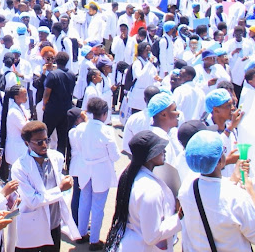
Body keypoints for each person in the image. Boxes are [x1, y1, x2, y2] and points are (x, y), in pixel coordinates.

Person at [178, 130, 255, 251]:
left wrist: (232, 180)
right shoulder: (237, 196)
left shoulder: (186, 190)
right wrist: (251, 192)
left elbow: (212, 196)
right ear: (220, 160)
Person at [103, 130, 181, 252]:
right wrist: (179, 217)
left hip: (132, 242)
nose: (164, 151)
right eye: (159, 149)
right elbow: (152, 237)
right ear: (150, 155)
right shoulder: (150, 190)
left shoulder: (131, 174)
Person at [10, 120, 80, 251]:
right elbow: (33, 200)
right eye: (39, 142)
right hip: (32, 226)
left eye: (46, 140)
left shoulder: (56, 158)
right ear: (27, 143)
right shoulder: (19, 168)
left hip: (53, 224)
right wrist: (60, 189)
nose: (44, 145)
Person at [77, 98, 120, 250]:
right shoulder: (106, 130)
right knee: (97, 206)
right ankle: (94, 240)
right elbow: (115, 156)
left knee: (84, 202)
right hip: (101, 171)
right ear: (104, 114)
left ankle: (81, 233)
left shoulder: (83, 128)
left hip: (85, 168)